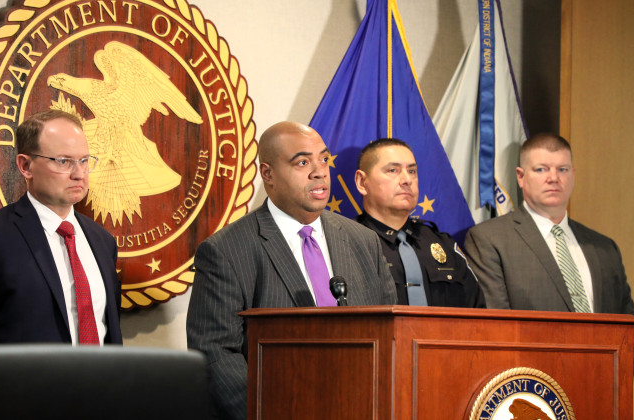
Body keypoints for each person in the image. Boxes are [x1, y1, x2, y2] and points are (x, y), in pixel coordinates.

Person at [187, 121, 396, 420]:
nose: (319, 171)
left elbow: (390, 337)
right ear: (268, 174)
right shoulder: (226, 250)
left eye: (323, 159)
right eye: (302, 162)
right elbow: (215, 354)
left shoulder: (363, 240)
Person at [463, 133, 634, 373]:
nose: (553, 178)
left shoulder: (604, 248)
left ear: (573, 175)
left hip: (604, 392)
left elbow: (631, 327)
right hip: (533, 396)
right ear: (520, 177)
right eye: (541, 169)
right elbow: (497, 329)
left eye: (562, 169)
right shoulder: (490, 239)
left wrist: (617, 379)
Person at [0, 110, 122, 345]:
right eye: (64, 161)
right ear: (25, 166)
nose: (79, 174)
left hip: (102, 382)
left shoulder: (102, 241)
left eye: (84, 161)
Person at [354, 138, 484, 308]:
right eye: (393, 170)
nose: (407, 180)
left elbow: (477, 311)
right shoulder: (348, 243)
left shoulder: (443, 244)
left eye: (412, 171)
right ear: (362, 182)